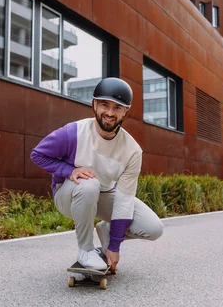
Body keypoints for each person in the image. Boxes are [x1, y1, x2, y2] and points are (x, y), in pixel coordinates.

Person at [30, 77, 164, 271]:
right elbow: (38, 155)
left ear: (126, 110)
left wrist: (114, 245)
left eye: (117, 107)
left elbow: (124, 200)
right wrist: (69, 170)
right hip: (69, 195)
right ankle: (85, 249)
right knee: (89, 184)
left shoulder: (132, 151)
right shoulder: (73, 132)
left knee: (153, 228)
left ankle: (106, 230)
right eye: (104, 105)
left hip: (105, 193)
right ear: (94, 104)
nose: (109, 113)